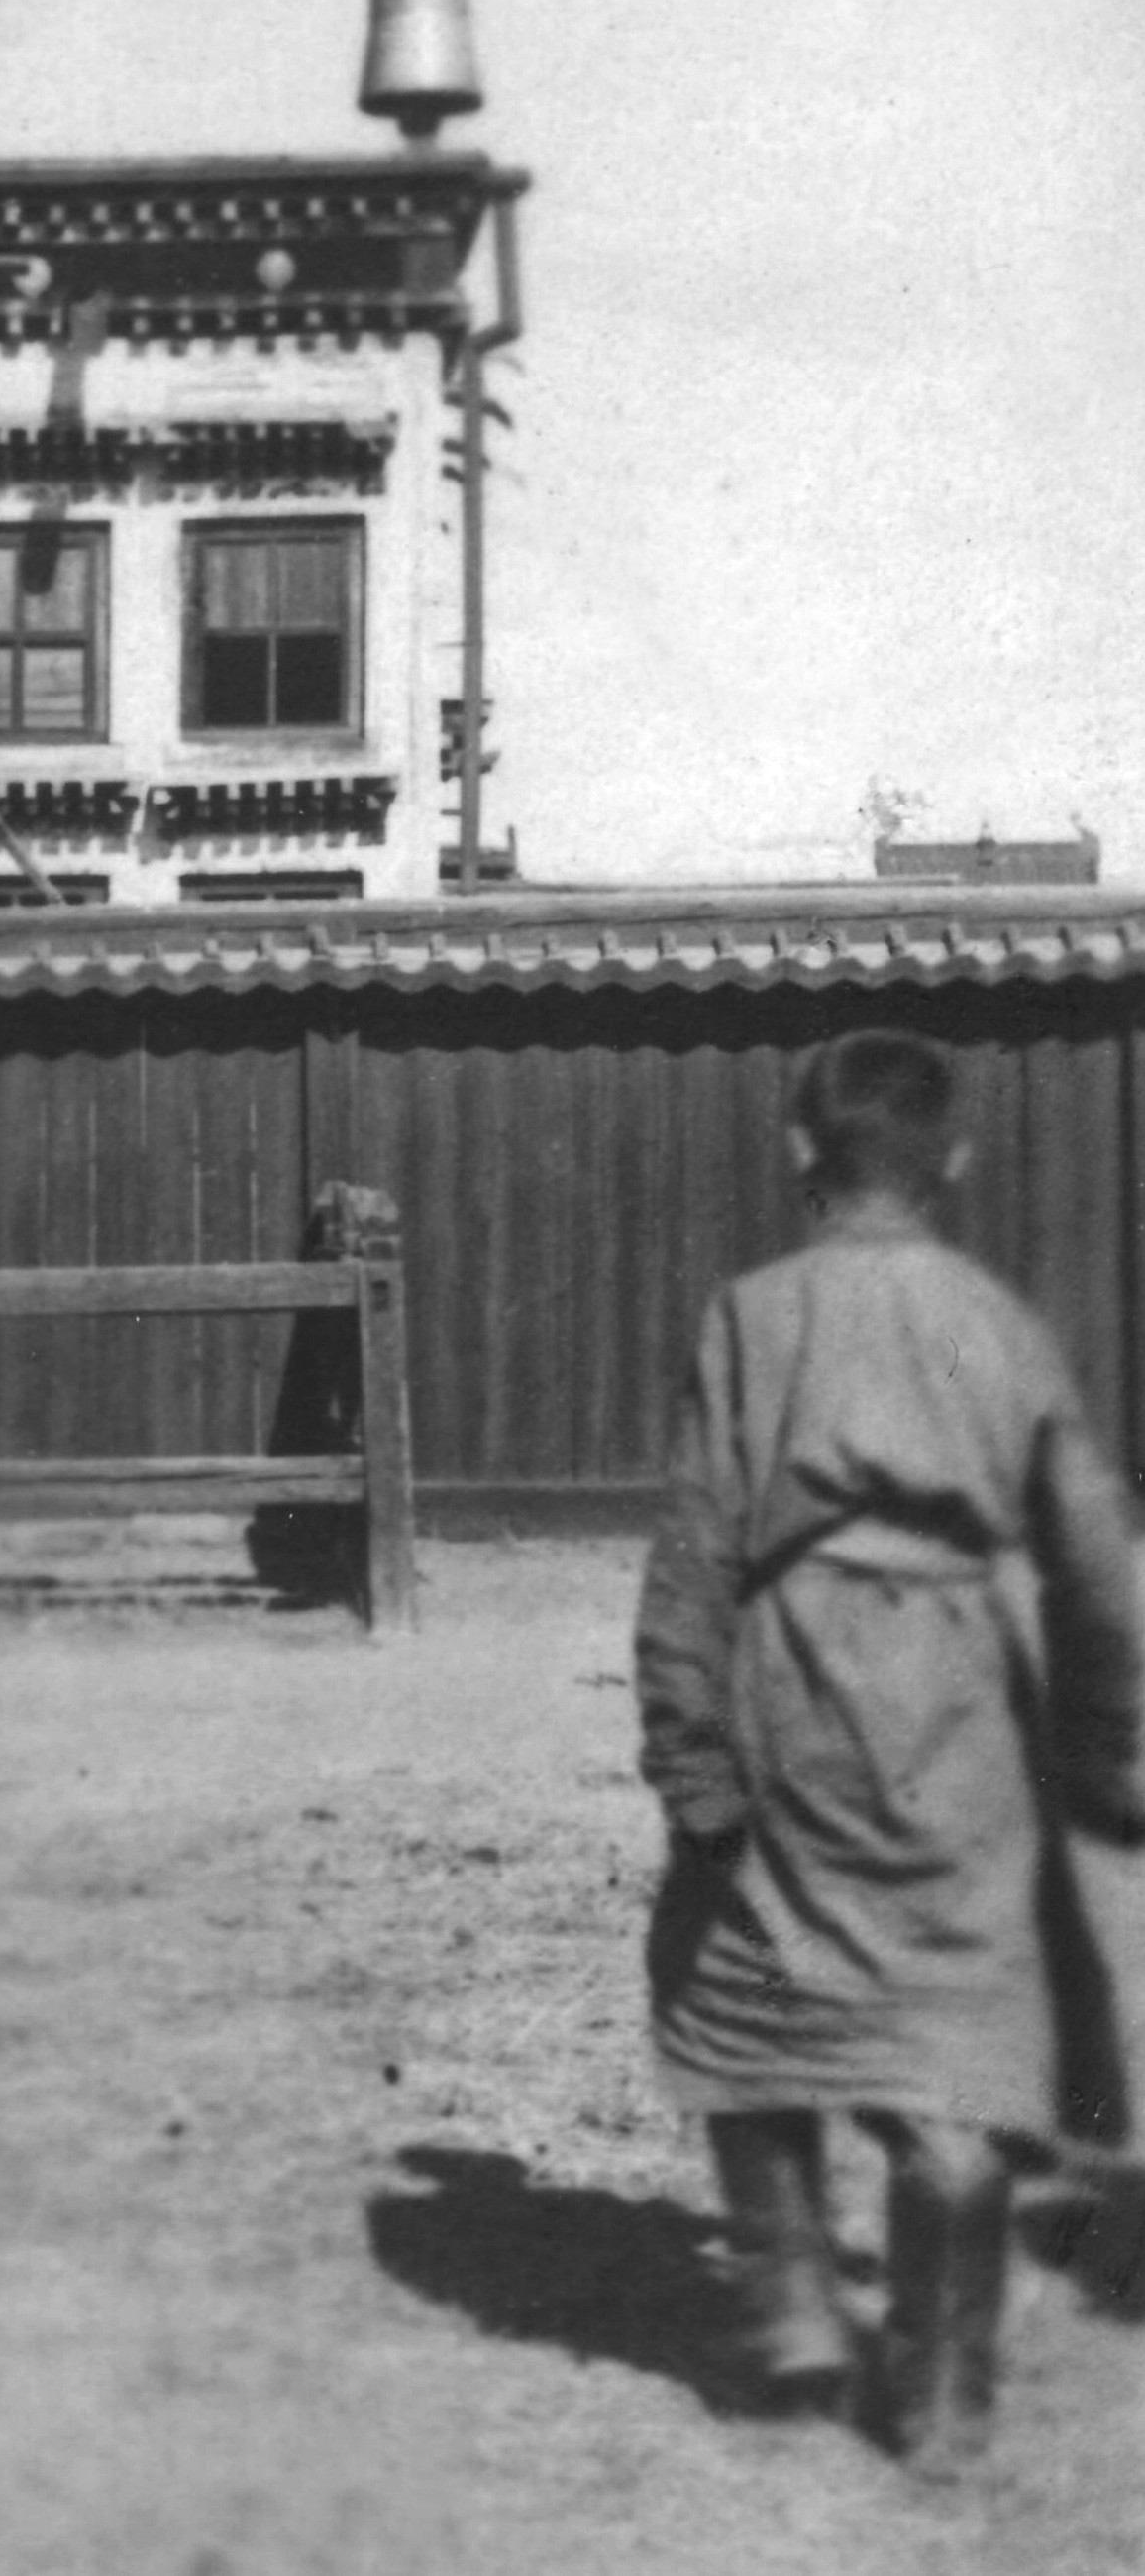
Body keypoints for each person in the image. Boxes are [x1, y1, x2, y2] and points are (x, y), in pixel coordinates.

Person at [633, 1028, 1143, 2472]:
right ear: (954, 1162)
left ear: (801, 1153)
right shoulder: (996, 1323)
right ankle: (939, 2387)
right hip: (957, 1698)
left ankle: (791, 2289)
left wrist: (688, 1749)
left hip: (788, 1675)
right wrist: (1106, 1756)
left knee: (723, 1963)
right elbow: (1097, 1564)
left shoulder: (752, 1313)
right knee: (956, 2016)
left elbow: (690, 1549)